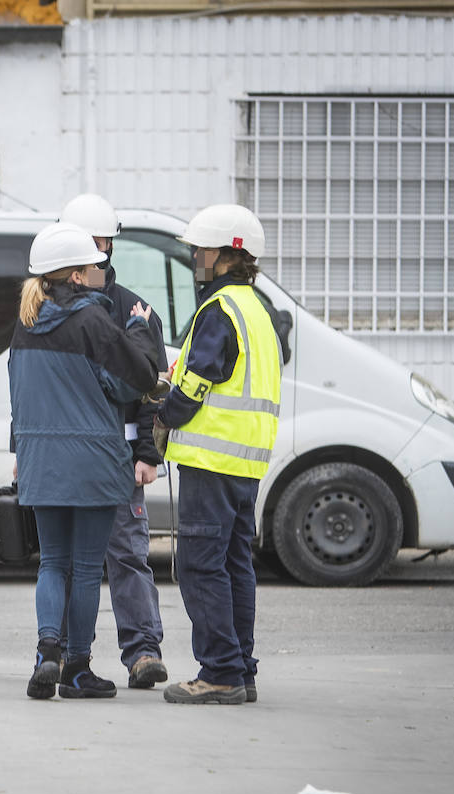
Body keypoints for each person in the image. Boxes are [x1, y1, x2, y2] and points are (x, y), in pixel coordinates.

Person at [10, 223, 164, 700]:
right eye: (94, 266)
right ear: (76, 276)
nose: (102, 271)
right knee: (85, 565)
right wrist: (137, 330)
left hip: (40, 460)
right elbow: (136, 379)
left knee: (52, 563)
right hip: (94, 462)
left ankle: (46, 652)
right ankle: (77, 669)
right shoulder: (96, 322)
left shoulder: (26, 322)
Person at [156, 203, 283, 705]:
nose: (194, 258)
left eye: (200, 250)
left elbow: (194, 386)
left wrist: (164, 412)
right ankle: (241, 669)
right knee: (234, 566)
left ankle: (221, 673)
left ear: (228, 255)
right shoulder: (259, 311)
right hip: (245, 463)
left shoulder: (219, 310)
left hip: (210, 461)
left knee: (199, 566)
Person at [59, 192, 170, 690]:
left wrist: (147, 452)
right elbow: (31, 388)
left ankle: (143, 651)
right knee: (62, 561)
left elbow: (152, 383)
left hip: (122, 456)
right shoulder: (48, 311)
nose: (100, 250)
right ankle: (61, 654)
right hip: (68, 454)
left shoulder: (134, 311)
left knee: (127, 554)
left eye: (102, 242)